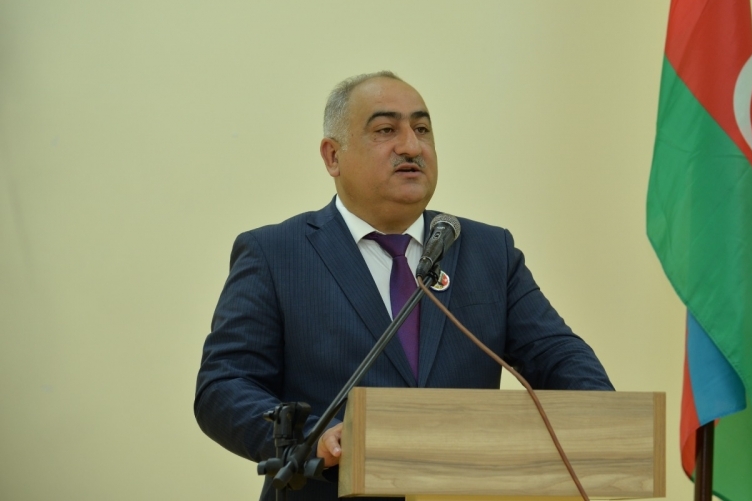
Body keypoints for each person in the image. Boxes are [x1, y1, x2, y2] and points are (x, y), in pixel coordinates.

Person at [195, 72, 613, 500]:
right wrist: (310, 438)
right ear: (333, 156)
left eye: (422, 129)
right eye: (385, 130)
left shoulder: (488, 251)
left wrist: (607, 419)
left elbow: (556, 355)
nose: (412, 146)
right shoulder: (276, 254)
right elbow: (223, 386)